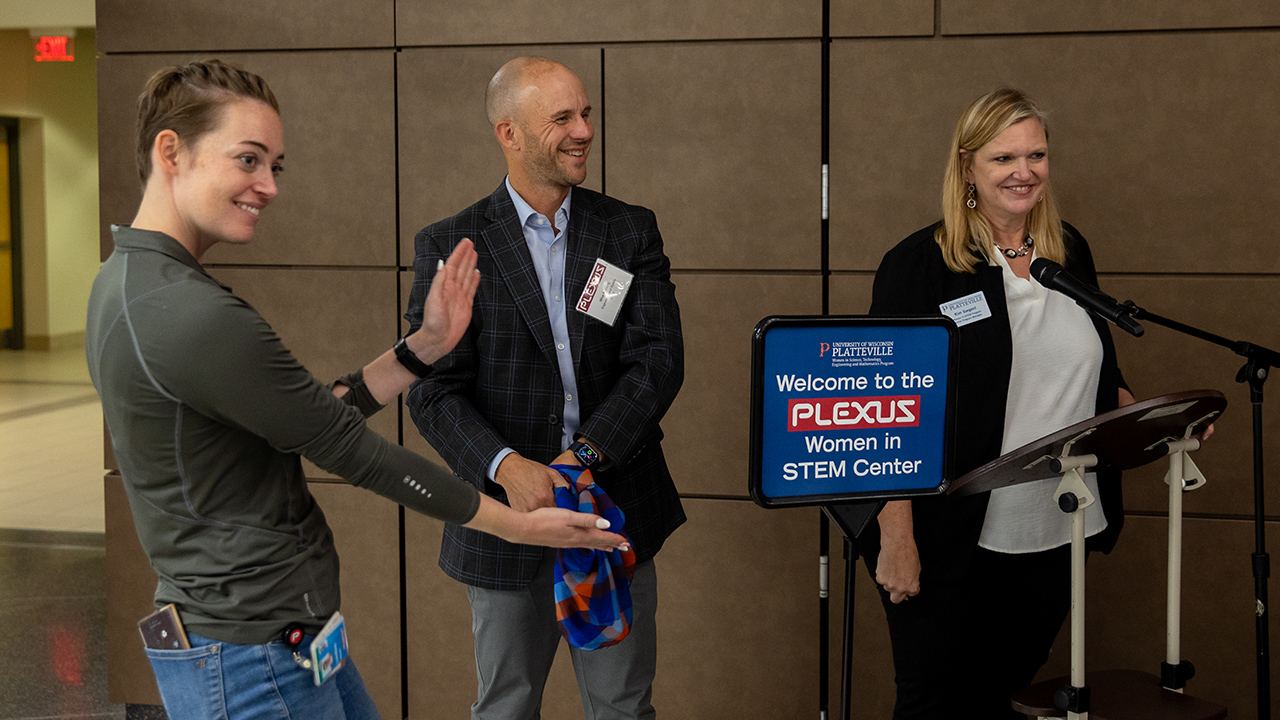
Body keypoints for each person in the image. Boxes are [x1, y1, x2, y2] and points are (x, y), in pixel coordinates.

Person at [86, 59, 628, 720]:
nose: (268, 186)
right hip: (250, 656)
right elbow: (349, 448)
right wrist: (517, 525)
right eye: (248, 160)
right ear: (170, 151)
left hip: (273, 640)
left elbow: (308, 415)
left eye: (274, 167)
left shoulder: (126, 283)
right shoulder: (192, 315)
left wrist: (422, 348)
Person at [404, 57, 685, 720]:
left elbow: (657, 364)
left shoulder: (626, 232)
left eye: (585, 113)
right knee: (505, 707)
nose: (584, 129)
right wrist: (511, 470)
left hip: (611, 511)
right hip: (506, 522)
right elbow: (433, 390)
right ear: (510, 133)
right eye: (562, 117)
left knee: (622, 707)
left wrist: (579, 460)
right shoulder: (451, 244)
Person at [863, 88, 1135, 719]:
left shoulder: (1069, 250)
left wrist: (1159, 424)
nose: (1024, 171)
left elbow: (1098, 372)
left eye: (1036, 154)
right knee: (936, 703)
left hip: (1057, 525)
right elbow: (884, 409)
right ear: (967, 167)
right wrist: (895, 536)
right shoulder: (919, 265)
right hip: (951, 536)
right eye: (1003, 157)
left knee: (1005, 695)